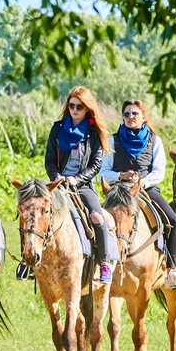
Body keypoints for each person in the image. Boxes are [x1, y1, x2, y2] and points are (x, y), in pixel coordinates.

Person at [100, 100, 176, 289]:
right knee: (98, 221)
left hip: (147, 189)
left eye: (134, 113)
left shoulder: (154, 140)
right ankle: (99, 264)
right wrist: (121, 175)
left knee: (173, 221)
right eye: (126, 114)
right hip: (119, 190)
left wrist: (142, 181)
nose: (130, 117)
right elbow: (102, 171)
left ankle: (172, 270)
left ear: (143, 117)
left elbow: (159, 171)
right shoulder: (112, 141)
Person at [43, 85, 119, 284]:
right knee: (34, 209)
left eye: (79, 106)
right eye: (71, 105)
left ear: (87, 108)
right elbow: (49, 160)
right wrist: (57, 176)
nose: (75, 110)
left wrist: (78, 179)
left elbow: (96, 165)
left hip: (83, 185)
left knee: (97, 217)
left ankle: (103, 262)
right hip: (58, 183)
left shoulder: (93, 133)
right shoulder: (57, 128)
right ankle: (29, 261)